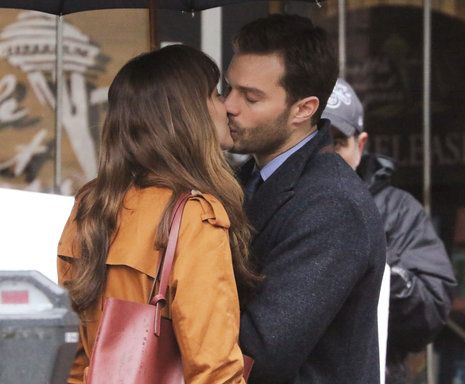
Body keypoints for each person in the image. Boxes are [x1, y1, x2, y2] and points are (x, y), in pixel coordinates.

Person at [57, 44, 258, 384]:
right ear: (188, 115)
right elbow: (214, 370)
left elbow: (74, 352)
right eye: (214, 94)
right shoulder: (195, 215)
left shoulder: (91, 205)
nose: (226, 106)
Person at [224, 14, 387, 383]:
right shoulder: (246, 179)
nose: (229, 106)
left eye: (251, 97)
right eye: (228, 88)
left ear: (303, 109)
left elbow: (260, 353)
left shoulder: (332, 205)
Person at [323, 78, 457, 384]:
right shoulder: (272, 198)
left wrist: (377, 274)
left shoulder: (397, 209)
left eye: (338, 141)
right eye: (319, 140)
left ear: (361, 144)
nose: (327, 153)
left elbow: (433, 307)